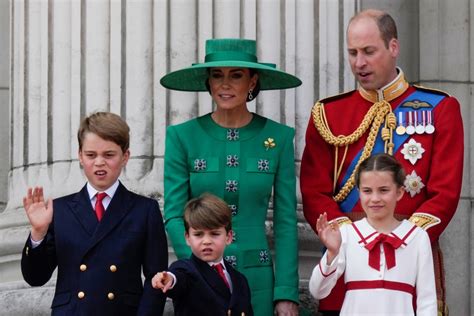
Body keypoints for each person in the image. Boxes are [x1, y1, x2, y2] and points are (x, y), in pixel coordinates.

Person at [300, 9, 463, 315]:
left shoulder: (440, 108)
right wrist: (352, 240)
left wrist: (404, 240)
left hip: (411, 267)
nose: (359, 63)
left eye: (369, 51)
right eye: (352, 53)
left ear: (393, 47)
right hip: (347, 267)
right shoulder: (328, 114)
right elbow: (313, 192)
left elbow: (446, 194)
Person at [161, 38, 302, 315]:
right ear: (209, 82)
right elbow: (175, 215)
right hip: (200, 281)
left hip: (258, 280)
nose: (225, 84)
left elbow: (286, 220)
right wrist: (198, 267)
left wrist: (286, 291)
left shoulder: (279, 137)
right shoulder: (181, 136)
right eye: (217, 75)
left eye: (236, 75)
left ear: (252, 81)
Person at [21, 112, 168, 315]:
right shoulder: (60, 210)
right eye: (91, 155)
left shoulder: (145, 210)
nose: (99, 162)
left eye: (109, 155)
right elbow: (35, 278)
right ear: (80, 156)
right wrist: (38, 233)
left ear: (125, 156)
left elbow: (157, 281)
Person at [308, 153, 437, 315]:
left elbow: (427, 302)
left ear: (399, 192)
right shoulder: (347, 233)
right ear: (359, 192)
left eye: (383, 190)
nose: (375, 198)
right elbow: (317, 291)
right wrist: (332, 253)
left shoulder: (417, 237)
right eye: (367, 191)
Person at [152, 193, 253, 315]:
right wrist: (169, 279)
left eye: (215, 234)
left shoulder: (240, 280)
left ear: (229, 237)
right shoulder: (186, 269)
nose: (206, 241)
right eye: (198, 234)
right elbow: (177, 278)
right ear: (187, 238)